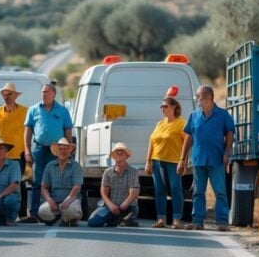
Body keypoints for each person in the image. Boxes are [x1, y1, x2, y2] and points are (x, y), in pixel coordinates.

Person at [179, 85, 235, 232]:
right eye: (197, 97)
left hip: (217, 159)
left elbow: (230, 133)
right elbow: (188, 137)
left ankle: (222, 222)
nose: (198, 100)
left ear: (209, 98)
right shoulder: (194, 115)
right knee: (198, 191)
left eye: (200, 97)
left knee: (220, 192)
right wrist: (182, 159)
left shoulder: (222, 115)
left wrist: (227, 152)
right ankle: (197, 221)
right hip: (198, 160)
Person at [22, 83, 72, 223]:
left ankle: (54, 213)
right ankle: (33, 214)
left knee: (55, 181)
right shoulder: (33, 110)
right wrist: (27, 149)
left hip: (57, 150)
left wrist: (69, 149)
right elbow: (28, 131)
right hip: (39, 149)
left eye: (47, 92)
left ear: (53, 94)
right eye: (42, 92)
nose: (44, 94)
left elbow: (68, 130)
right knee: (38, 181)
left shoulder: (62, 111)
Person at [146, 95, 188, 229]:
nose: (162, 109)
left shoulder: (181, 123)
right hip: (157, 160)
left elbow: (188, 140)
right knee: (159, 190)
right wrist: (148, 161)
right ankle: (161, 219)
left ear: (174, 107)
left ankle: (176, 219)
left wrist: (183, 160)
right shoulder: (160, 123)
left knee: (176, 189)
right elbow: (151, 142)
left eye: (165, 106)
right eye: (161, 106)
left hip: (173, 161)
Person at [0, 82, 28, 216]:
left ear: (16, 96)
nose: (7, 96)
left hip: (18, 154)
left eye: (10, 94)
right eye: (5, 94)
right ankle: (1, 211)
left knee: (19, 184)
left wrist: (27, 150)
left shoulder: (24, 111)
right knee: (1, 183)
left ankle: (21, 214)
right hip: (1, 155)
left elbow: (30, 131)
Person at [88, 142, 140, 227]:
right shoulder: (108, 172)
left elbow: (134, 192)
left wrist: (125, 204)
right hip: (111, 206)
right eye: (117, 152)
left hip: (128, 206)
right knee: (92, 222)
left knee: (132, 209)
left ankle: (125, 219)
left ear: (126, 156)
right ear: (113, 156)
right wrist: (111, 206)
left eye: (122, 152)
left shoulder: (133, 171)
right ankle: (120, 220)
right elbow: (104, 193)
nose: (119, 154)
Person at [38, 137, 83, 226]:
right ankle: (61, 217)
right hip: (55, 200)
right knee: (42, 211)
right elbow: (44, 187)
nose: (63, 151)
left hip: (71, 199)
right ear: (56, 152)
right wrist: (50, 200)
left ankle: (66, 219)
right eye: (60, 149)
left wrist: (68, 200)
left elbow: (77, 187)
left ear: (70, 151)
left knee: (72, 211)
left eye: (65, 149)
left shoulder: (76, 166)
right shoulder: (49, 166)